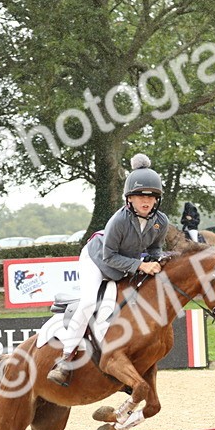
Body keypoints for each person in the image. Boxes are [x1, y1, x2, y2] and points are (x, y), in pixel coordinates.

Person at [46, 154, 169, 386]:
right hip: (96, 260)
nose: (146, 201)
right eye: (140, 196)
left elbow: (155, 248)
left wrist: (158, 261)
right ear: (129, 199)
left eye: (151, 196)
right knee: (88, 303)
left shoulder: (160, 222)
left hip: (123, 265)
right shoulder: (119, 220)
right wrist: (140, 265)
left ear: (157, 199)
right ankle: (65, 359)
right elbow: (108, 256)